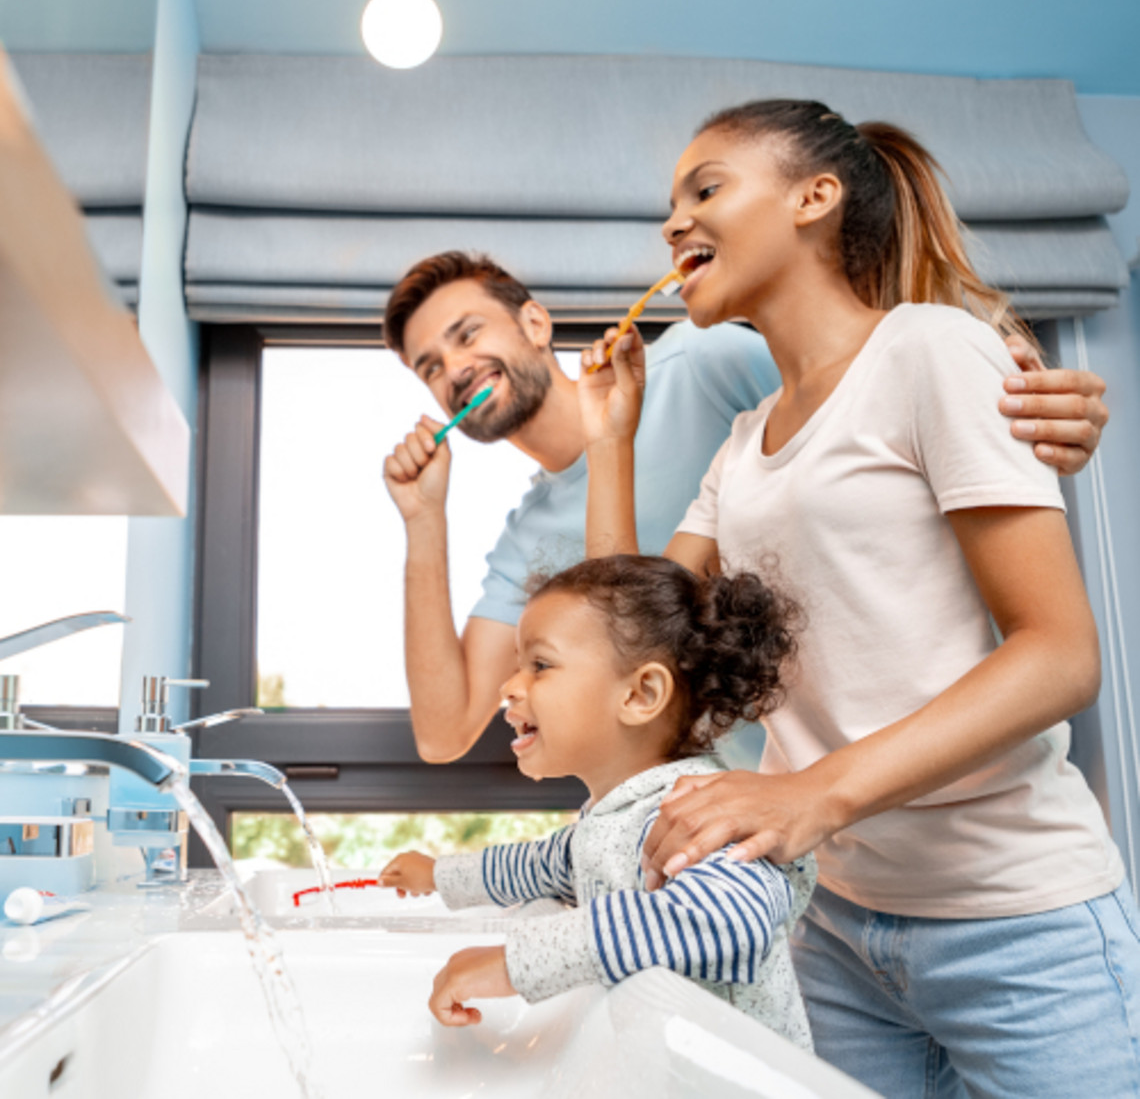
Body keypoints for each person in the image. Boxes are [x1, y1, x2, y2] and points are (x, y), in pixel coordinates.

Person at [578, 99, 1140, 1099]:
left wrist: (811, 794)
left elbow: (1060, 657)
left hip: (1017, 919)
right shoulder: (743, 445)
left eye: (706, 189)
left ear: (815, 198)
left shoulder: (930, 350)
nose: (673, 223)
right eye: (671, 203)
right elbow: (631, 652)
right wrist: (610, 441)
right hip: (835, 928)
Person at [381, 252, 1110, 766]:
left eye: (467, 334)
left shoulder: (702, 362)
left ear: (535, 323)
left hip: (931, 763)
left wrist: (1002, 394)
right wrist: (423, 520)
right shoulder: (527, 539)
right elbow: (444, 734)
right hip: (770, 814)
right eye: (430, 367)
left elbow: (879, 395)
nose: (455, 370)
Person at [379, 553, 817, 1046]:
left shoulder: (697, 815)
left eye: (540, 665)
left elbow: (725, 919)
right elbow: (533, 866)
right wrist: (437, 876)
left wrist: (514, 964)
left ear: (639, 695)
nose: (510, 686)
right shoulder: (614, 817)